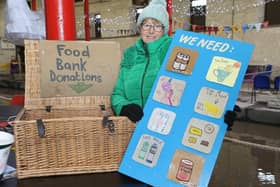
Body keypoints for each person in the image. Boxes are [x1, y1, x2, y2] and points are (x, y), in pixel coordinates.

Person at [111, 0, 239, 130]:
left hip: (168, 129)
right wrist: (124, 107)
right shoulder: (130, 56)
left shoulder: (175, 50)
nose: (151, 30)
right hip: (132, 131)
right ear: (140, 27)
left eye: (157, 26)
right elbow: (118, 93)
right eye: (146, 24)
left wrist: (221, 108)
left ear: (164, 30)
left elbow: (195, 85)